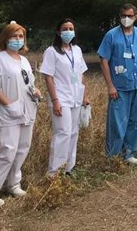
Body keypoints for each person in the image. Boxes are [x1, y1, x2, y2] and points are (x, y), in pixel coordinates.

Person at [0, 22, 42, 207]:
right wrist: (8, 104)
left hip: (27, 110)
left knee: (22, 149)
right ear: (5, 39)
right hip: (8, 112)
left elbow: (27, 83)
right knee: (7, 151)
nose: (18, 40)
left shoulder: (24, 61)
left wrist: (35, 91)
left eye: (21, 36)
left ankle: (13, 184)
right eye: (14, 36)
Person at [98, 3, 137, 165]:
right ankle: (113, 156)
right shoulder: (111, 35)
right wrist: (110, 85)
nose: (126, 19)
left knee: (134, 120)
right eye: (124, 15)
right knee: (117, 122)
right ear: (119, 16)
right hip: (119, 87)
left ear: (135, 17)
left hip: (136, 85)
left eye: (130, 16)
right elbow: (104, 60)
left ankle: (129, 153)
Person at [40, 18, 90, 177]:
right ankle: (54, 172)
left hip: (76, 97)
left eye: (71, 28)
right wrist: (55, 101)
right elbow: (48, 77)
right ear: (58, 32)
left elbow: (81, 74)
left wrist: (84, 96)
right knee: (63, 133)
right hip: (61, 98)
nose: (68, 31)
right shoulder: (52, 51)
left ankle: (69, 168)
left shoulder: (77, 50)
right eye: (65, 28)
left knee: (74, 133)